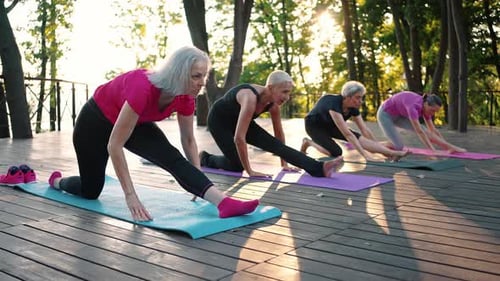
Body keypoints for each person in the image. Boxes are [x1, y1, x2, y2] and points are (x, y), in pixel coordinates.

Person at [47, 46, 259, 221]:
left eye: (204, 76)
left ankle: (224, 203)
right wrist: (130, 196)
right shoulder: (143, 87)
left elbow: (188, 140)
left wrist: (198, 181)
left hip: (135, 123)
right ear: (178, 73)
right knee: (90, 191)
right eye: (196, 76)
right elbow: (114, 145)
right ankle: (57, 182)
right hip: (93, 124)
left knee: (171, 156)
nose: (202, 82)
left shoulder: (185, 96)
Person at [199, 70, 343, 178]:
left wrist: (284, 164)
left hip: (241, 120)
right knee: (237, 166)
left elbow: (279, 136)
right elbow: (239, 138)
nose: (287, 97)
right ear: (270, 87)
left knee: (275, 144)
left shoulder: (273, 105)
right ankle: (205, 158)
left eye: (289, 93)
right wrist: (250, 171)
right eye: (284, 92)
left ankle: (319, 168)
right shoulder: (249, 97)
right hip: (219, 121)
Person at [300, 81, 409, 162]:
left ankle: (395, 153)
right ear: (347, 96)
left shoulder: (353, 108)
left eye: (361, 98)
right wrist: (366, 155)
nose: (360, 101)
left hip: (331, 125)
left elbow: (364, 130)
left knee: (359, 138)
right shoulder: (334, 104)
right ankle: (308, 142)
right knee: (335, 153)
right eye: (358, 98)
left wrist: (382, 151)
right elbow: (348, 135)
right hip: (314, 126)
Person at [376, 91, 467, 153]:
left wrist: (447, 147)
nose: (433, 113)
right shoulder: (413, 106)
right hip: (385, 114)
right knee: (398, 147)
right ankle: (374, 145)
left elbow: (432, 130)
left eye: (435, 111)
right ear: (426, 104)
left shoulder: (427, 108)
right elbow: (419, 132)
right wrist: (432, 150)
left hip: (399, 116)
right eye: (432, 110)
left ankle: (450, 147)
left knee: (425, 130)